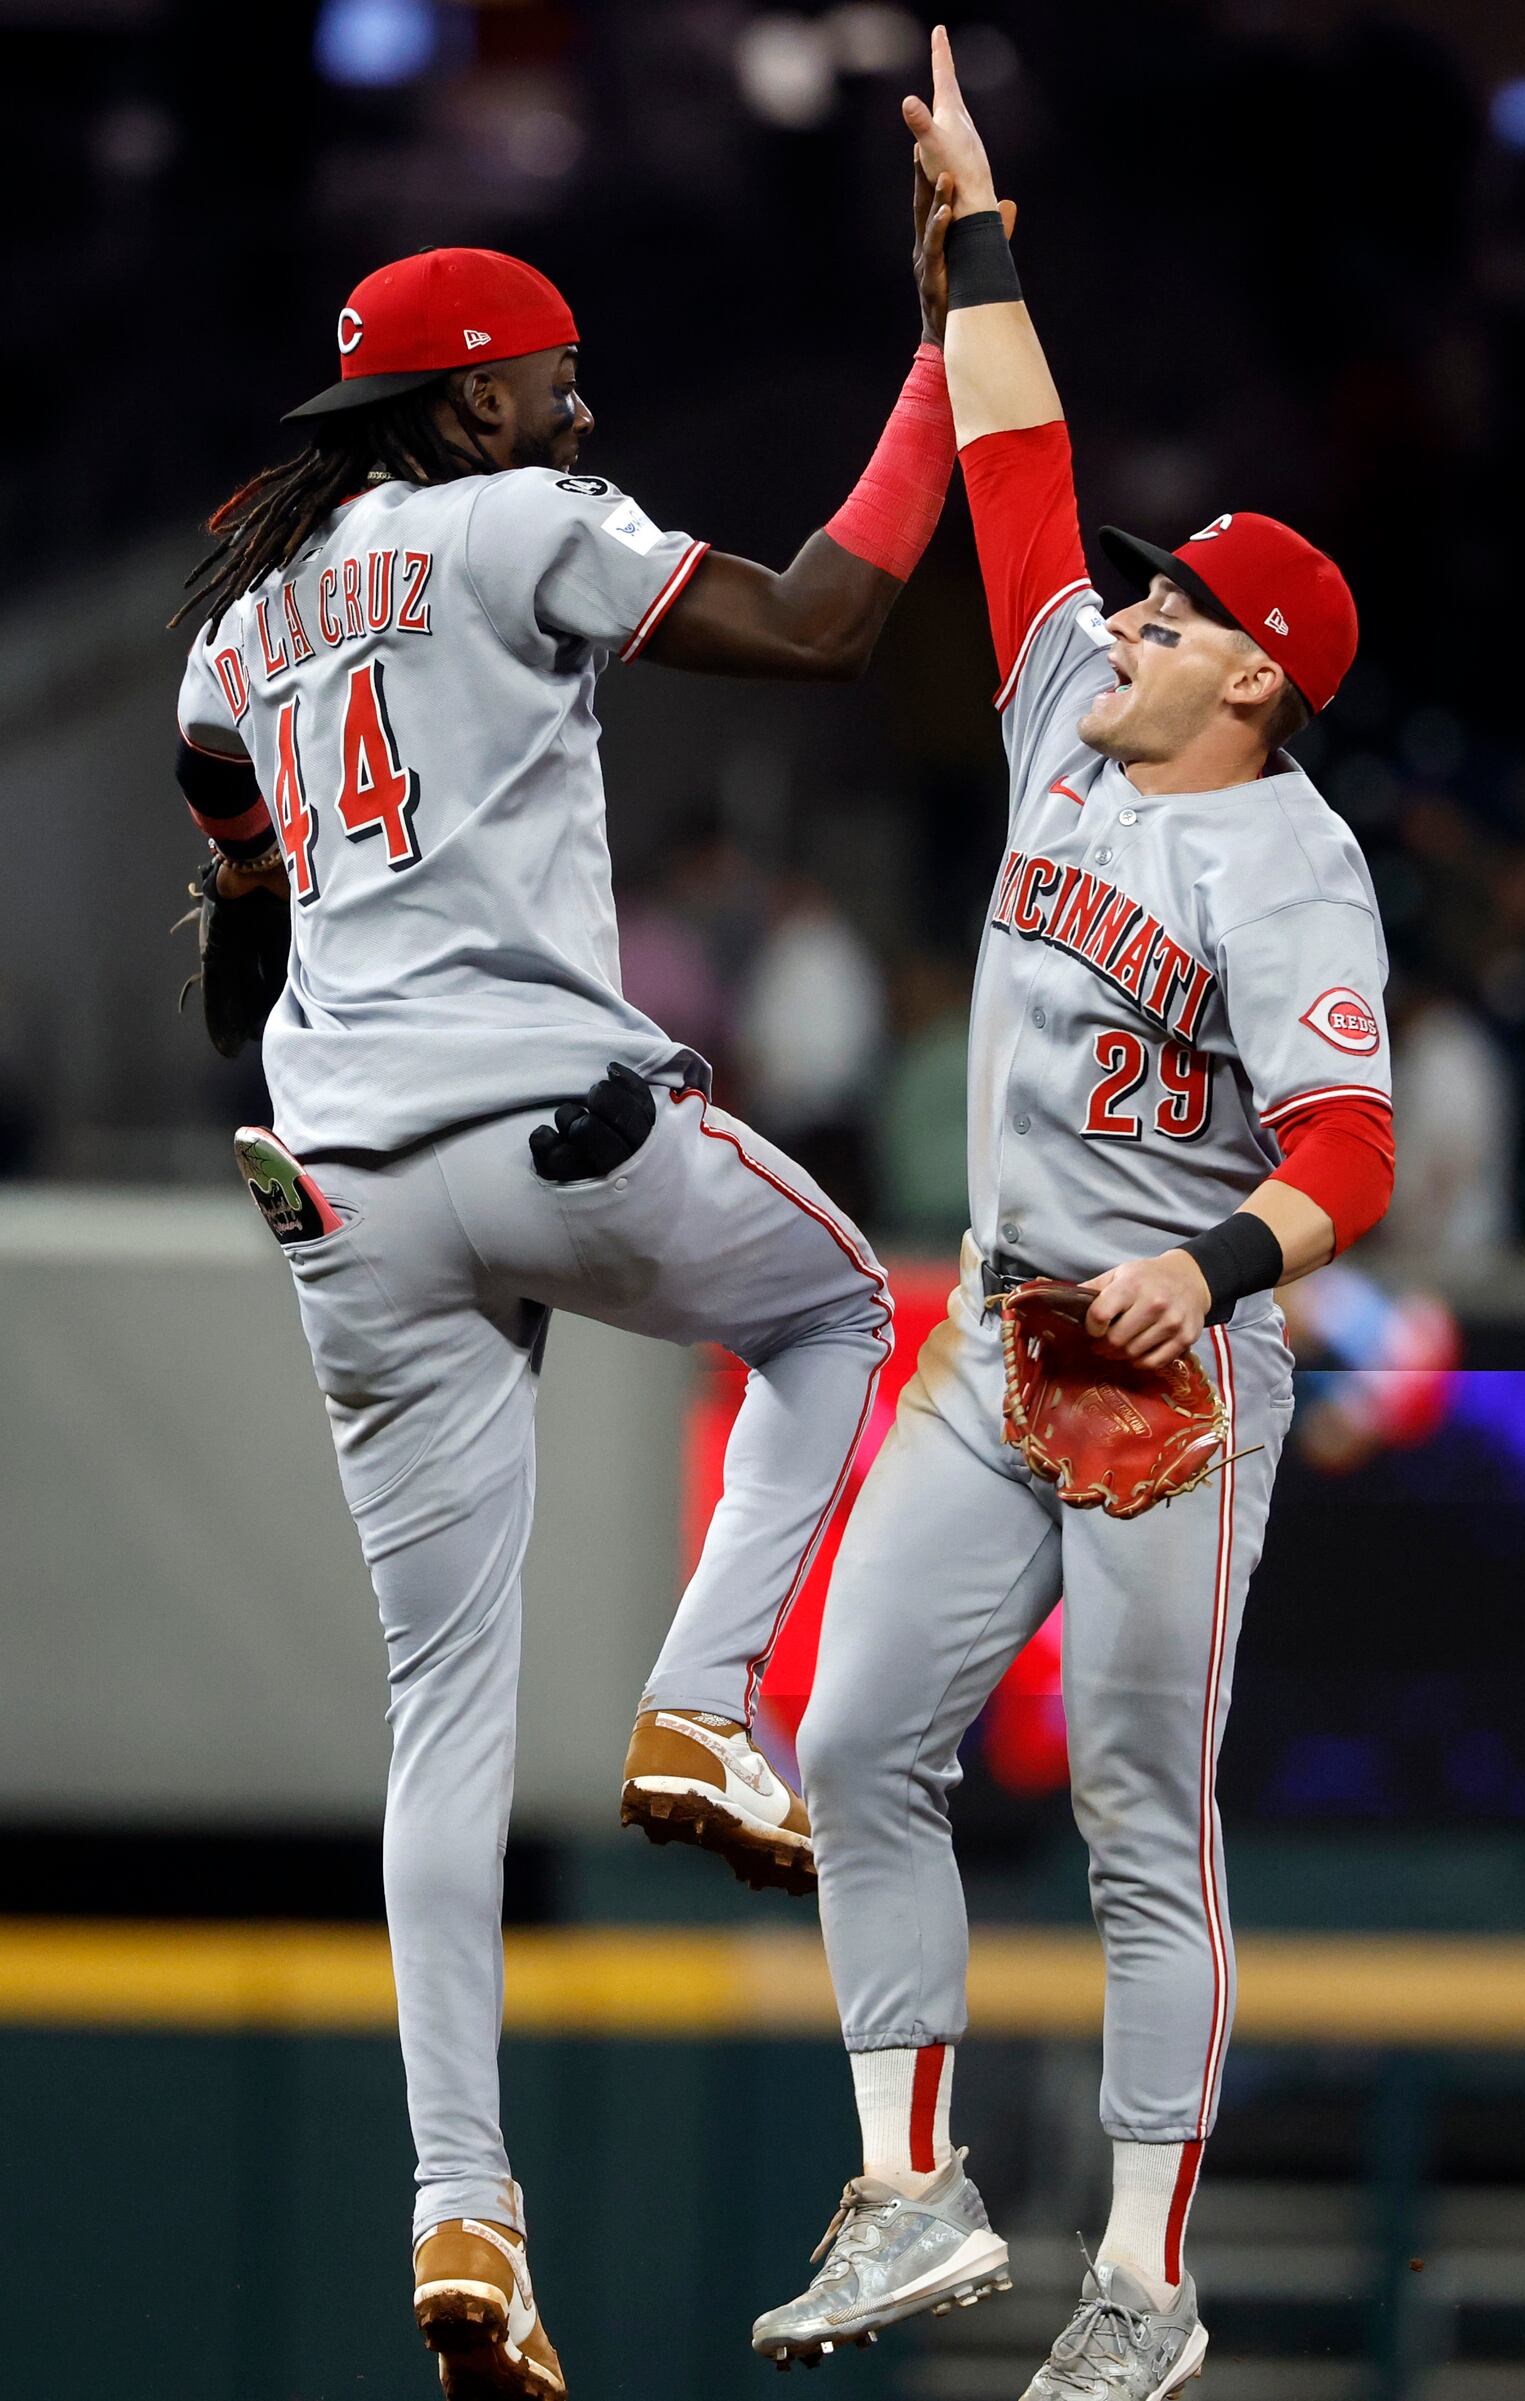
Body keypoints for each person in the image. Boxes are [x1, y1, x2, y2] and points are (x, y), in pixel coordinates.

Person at [171, 208, 967, 2398]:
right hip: (550, 1125)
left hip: (339, 1187)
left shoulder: (229, 634)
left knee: (442, 1713)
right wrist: (931, 361)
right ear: (468, 406)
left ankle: (461, 2208)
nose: (582, 401)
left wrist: (313, 926)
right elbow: (821, 626)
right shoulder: (524, 516)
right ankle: (706, 1696)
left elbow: (239, 940)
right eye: (550, 373)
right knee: (830, 1319)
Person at [754, 32, 1396, 2400]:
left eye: (1170, 610)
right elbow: (1014, 459)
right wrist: (981, 224)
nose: (1120, 613)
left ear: (1254, 673)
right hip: (1000, 1328)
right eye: (1134, 597)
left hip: (1171, 1357)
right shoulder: (1057, 696)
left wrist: (1211, 1269)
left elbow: (1348, 1159)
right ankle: (915, 2197)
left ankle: (1141, 2273)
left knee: (1142, 1811)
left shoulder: (1288, 863)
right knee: (846, 1746)